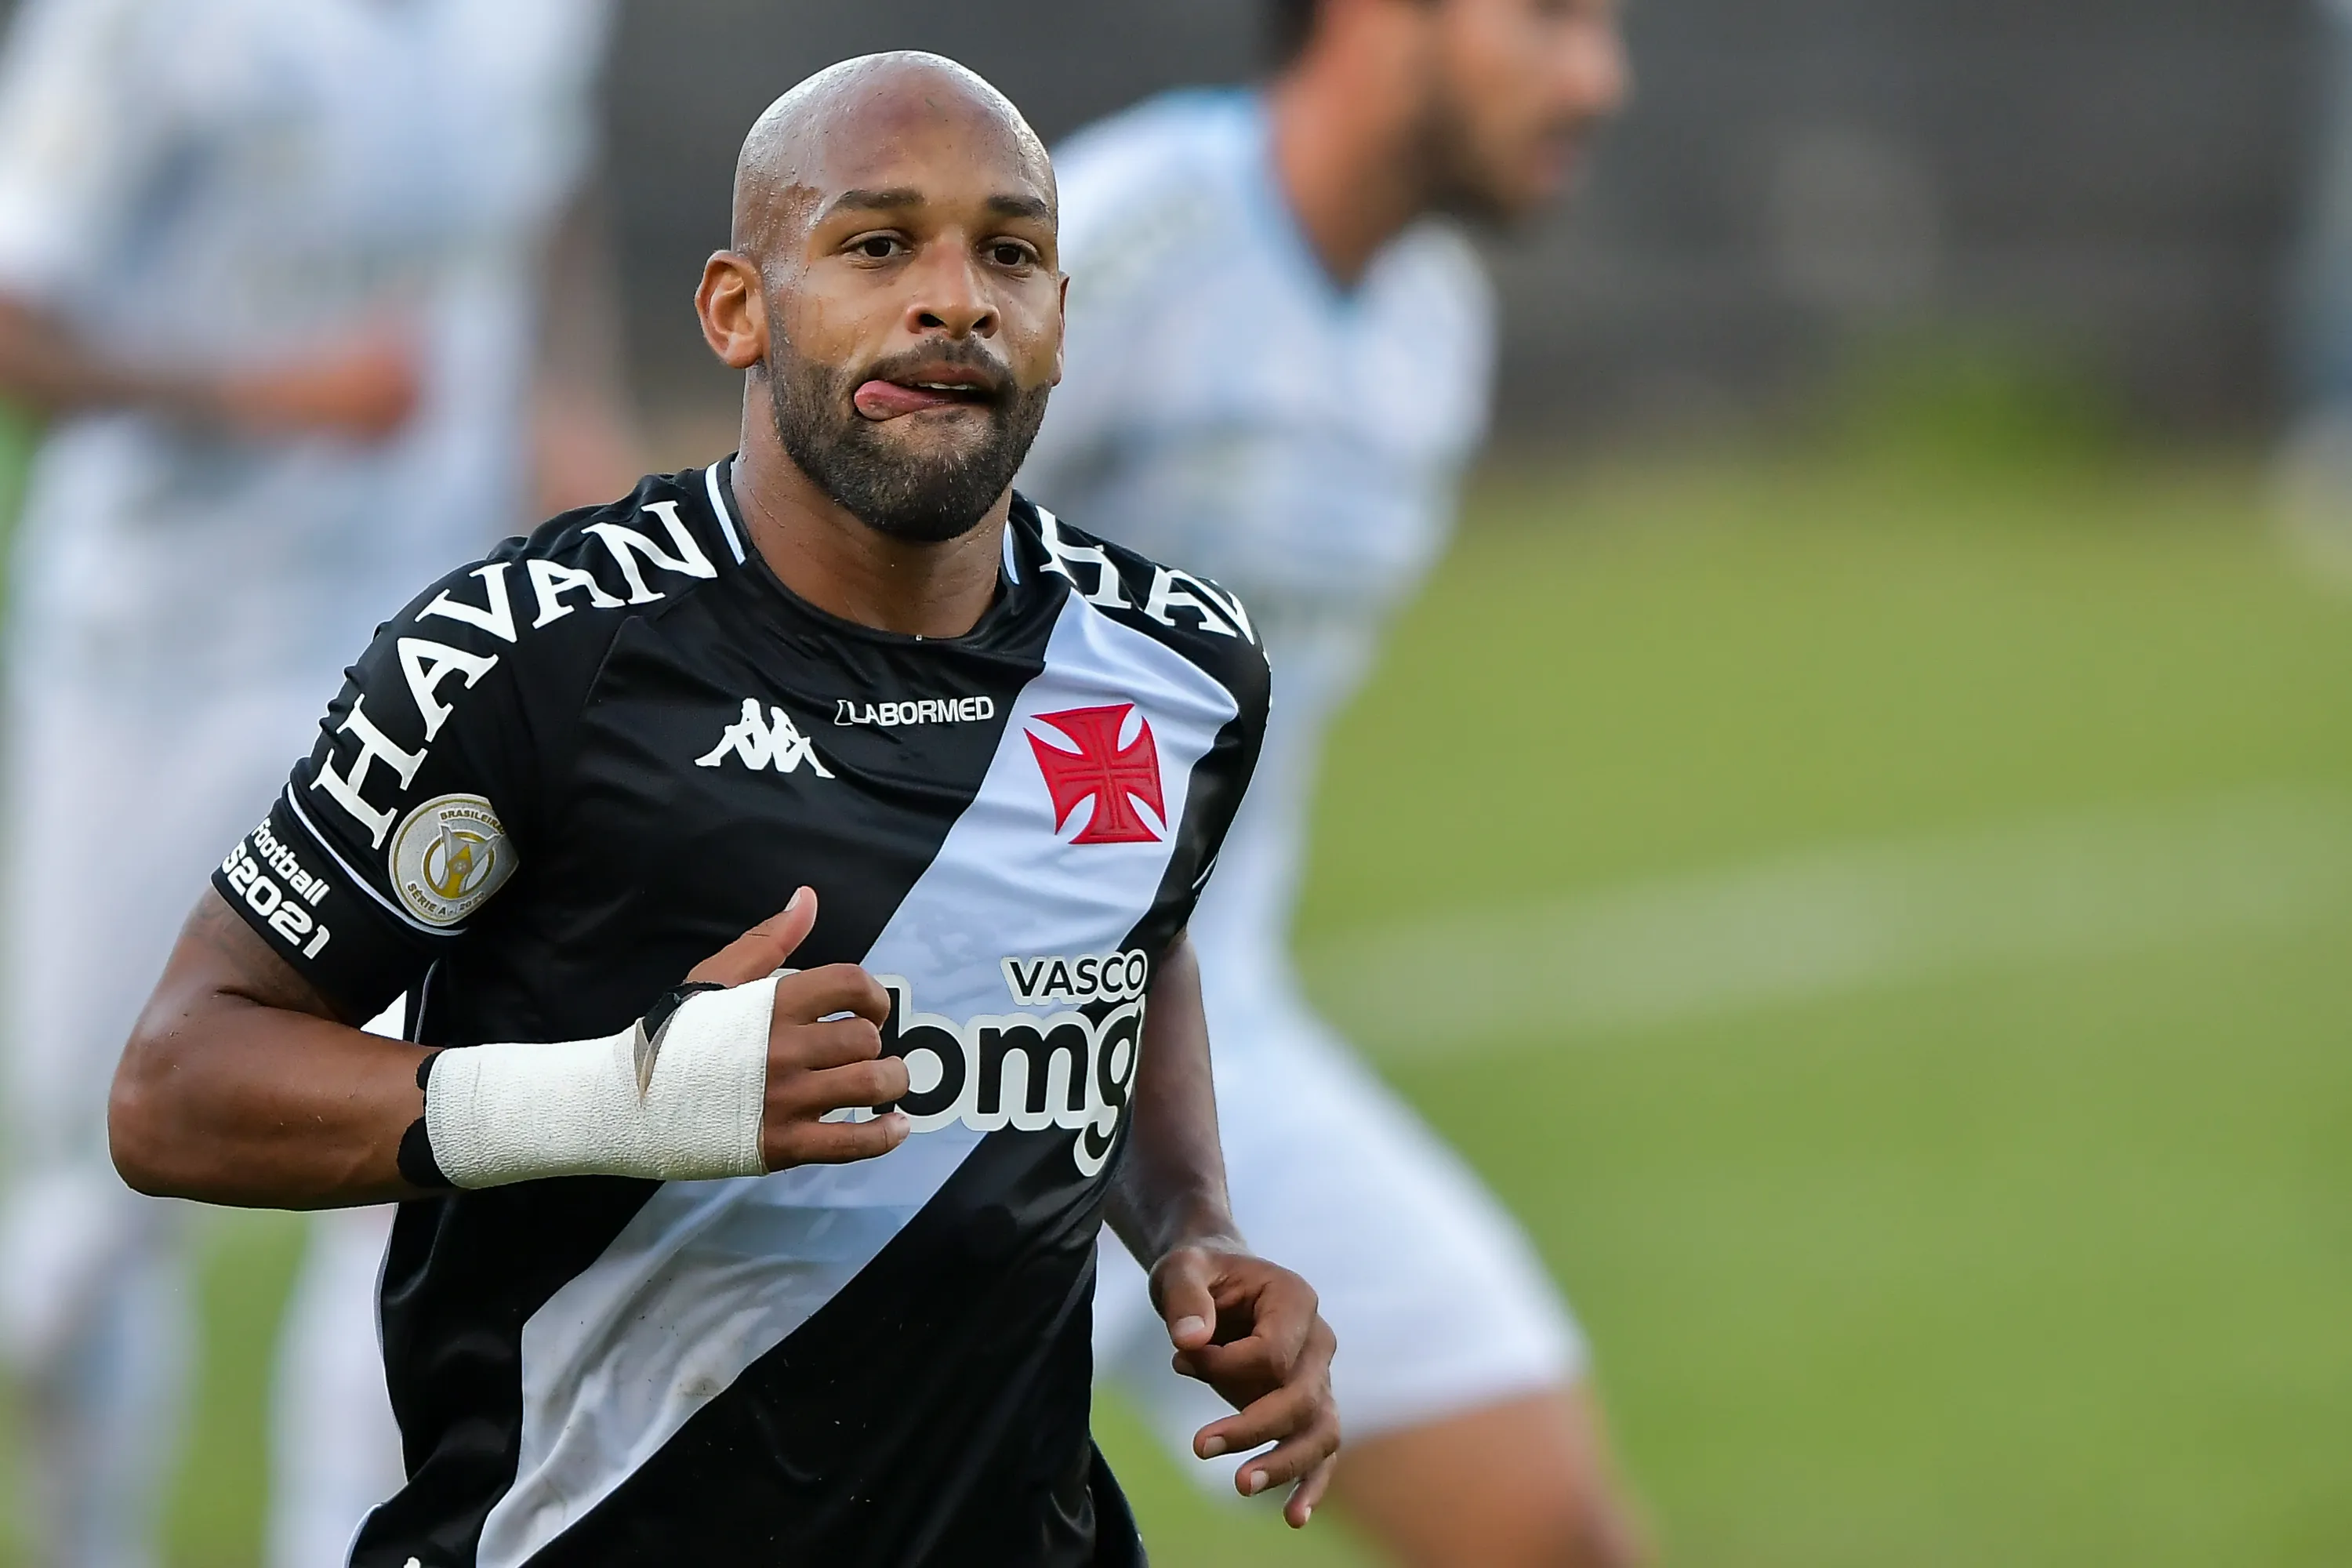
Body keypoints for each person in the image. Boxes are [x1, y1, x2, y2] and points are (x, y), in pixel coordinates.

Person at [107, 52, 1341, 1567]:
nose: (955, 297)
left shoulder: (1176, 665)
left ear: (1062, 324)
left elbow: (1128, 948)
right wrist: (630, 1100)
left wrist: (1197, 1227)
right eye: (878, 245)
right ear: (735, 309)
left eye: (1008, 253)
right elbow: (176, 1087)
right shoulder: (529, 656)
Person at [0, 2, 636, 1564]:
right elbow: (19, 317)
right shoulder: (141, 30)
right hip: (155, 662)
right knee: (103, 1189)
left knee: (418, 1152)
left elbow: (544, 212)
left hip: (416, 664)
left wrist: (580, 435)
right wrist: (265, 393)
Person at [1019, 1, 1642, 1563]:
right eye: (1555, 18)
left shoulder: (1436, 322)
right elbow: (815, 591)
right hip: (934, 1087)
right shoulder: (1121, 241)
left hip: (1211, 1063)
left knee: (1554, 1533)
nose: (1599, 77)